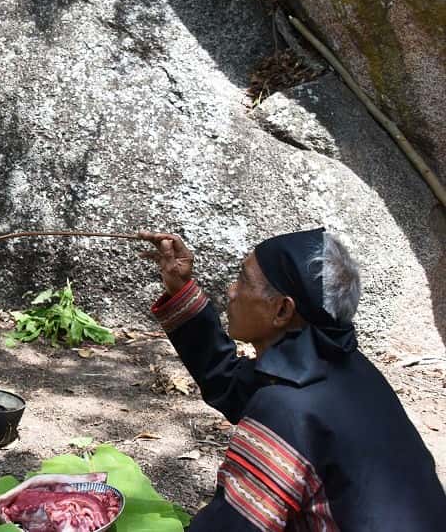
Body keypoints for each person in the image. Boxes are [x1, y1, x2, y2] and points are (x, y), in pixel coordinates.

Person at [138, 227, 446, 530]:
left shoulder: (286, 406)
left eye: (244, 280)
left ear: (283, 310)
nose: (231, 290)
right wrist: (180, 289)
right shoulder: (346, 368)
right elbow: (232, 384)